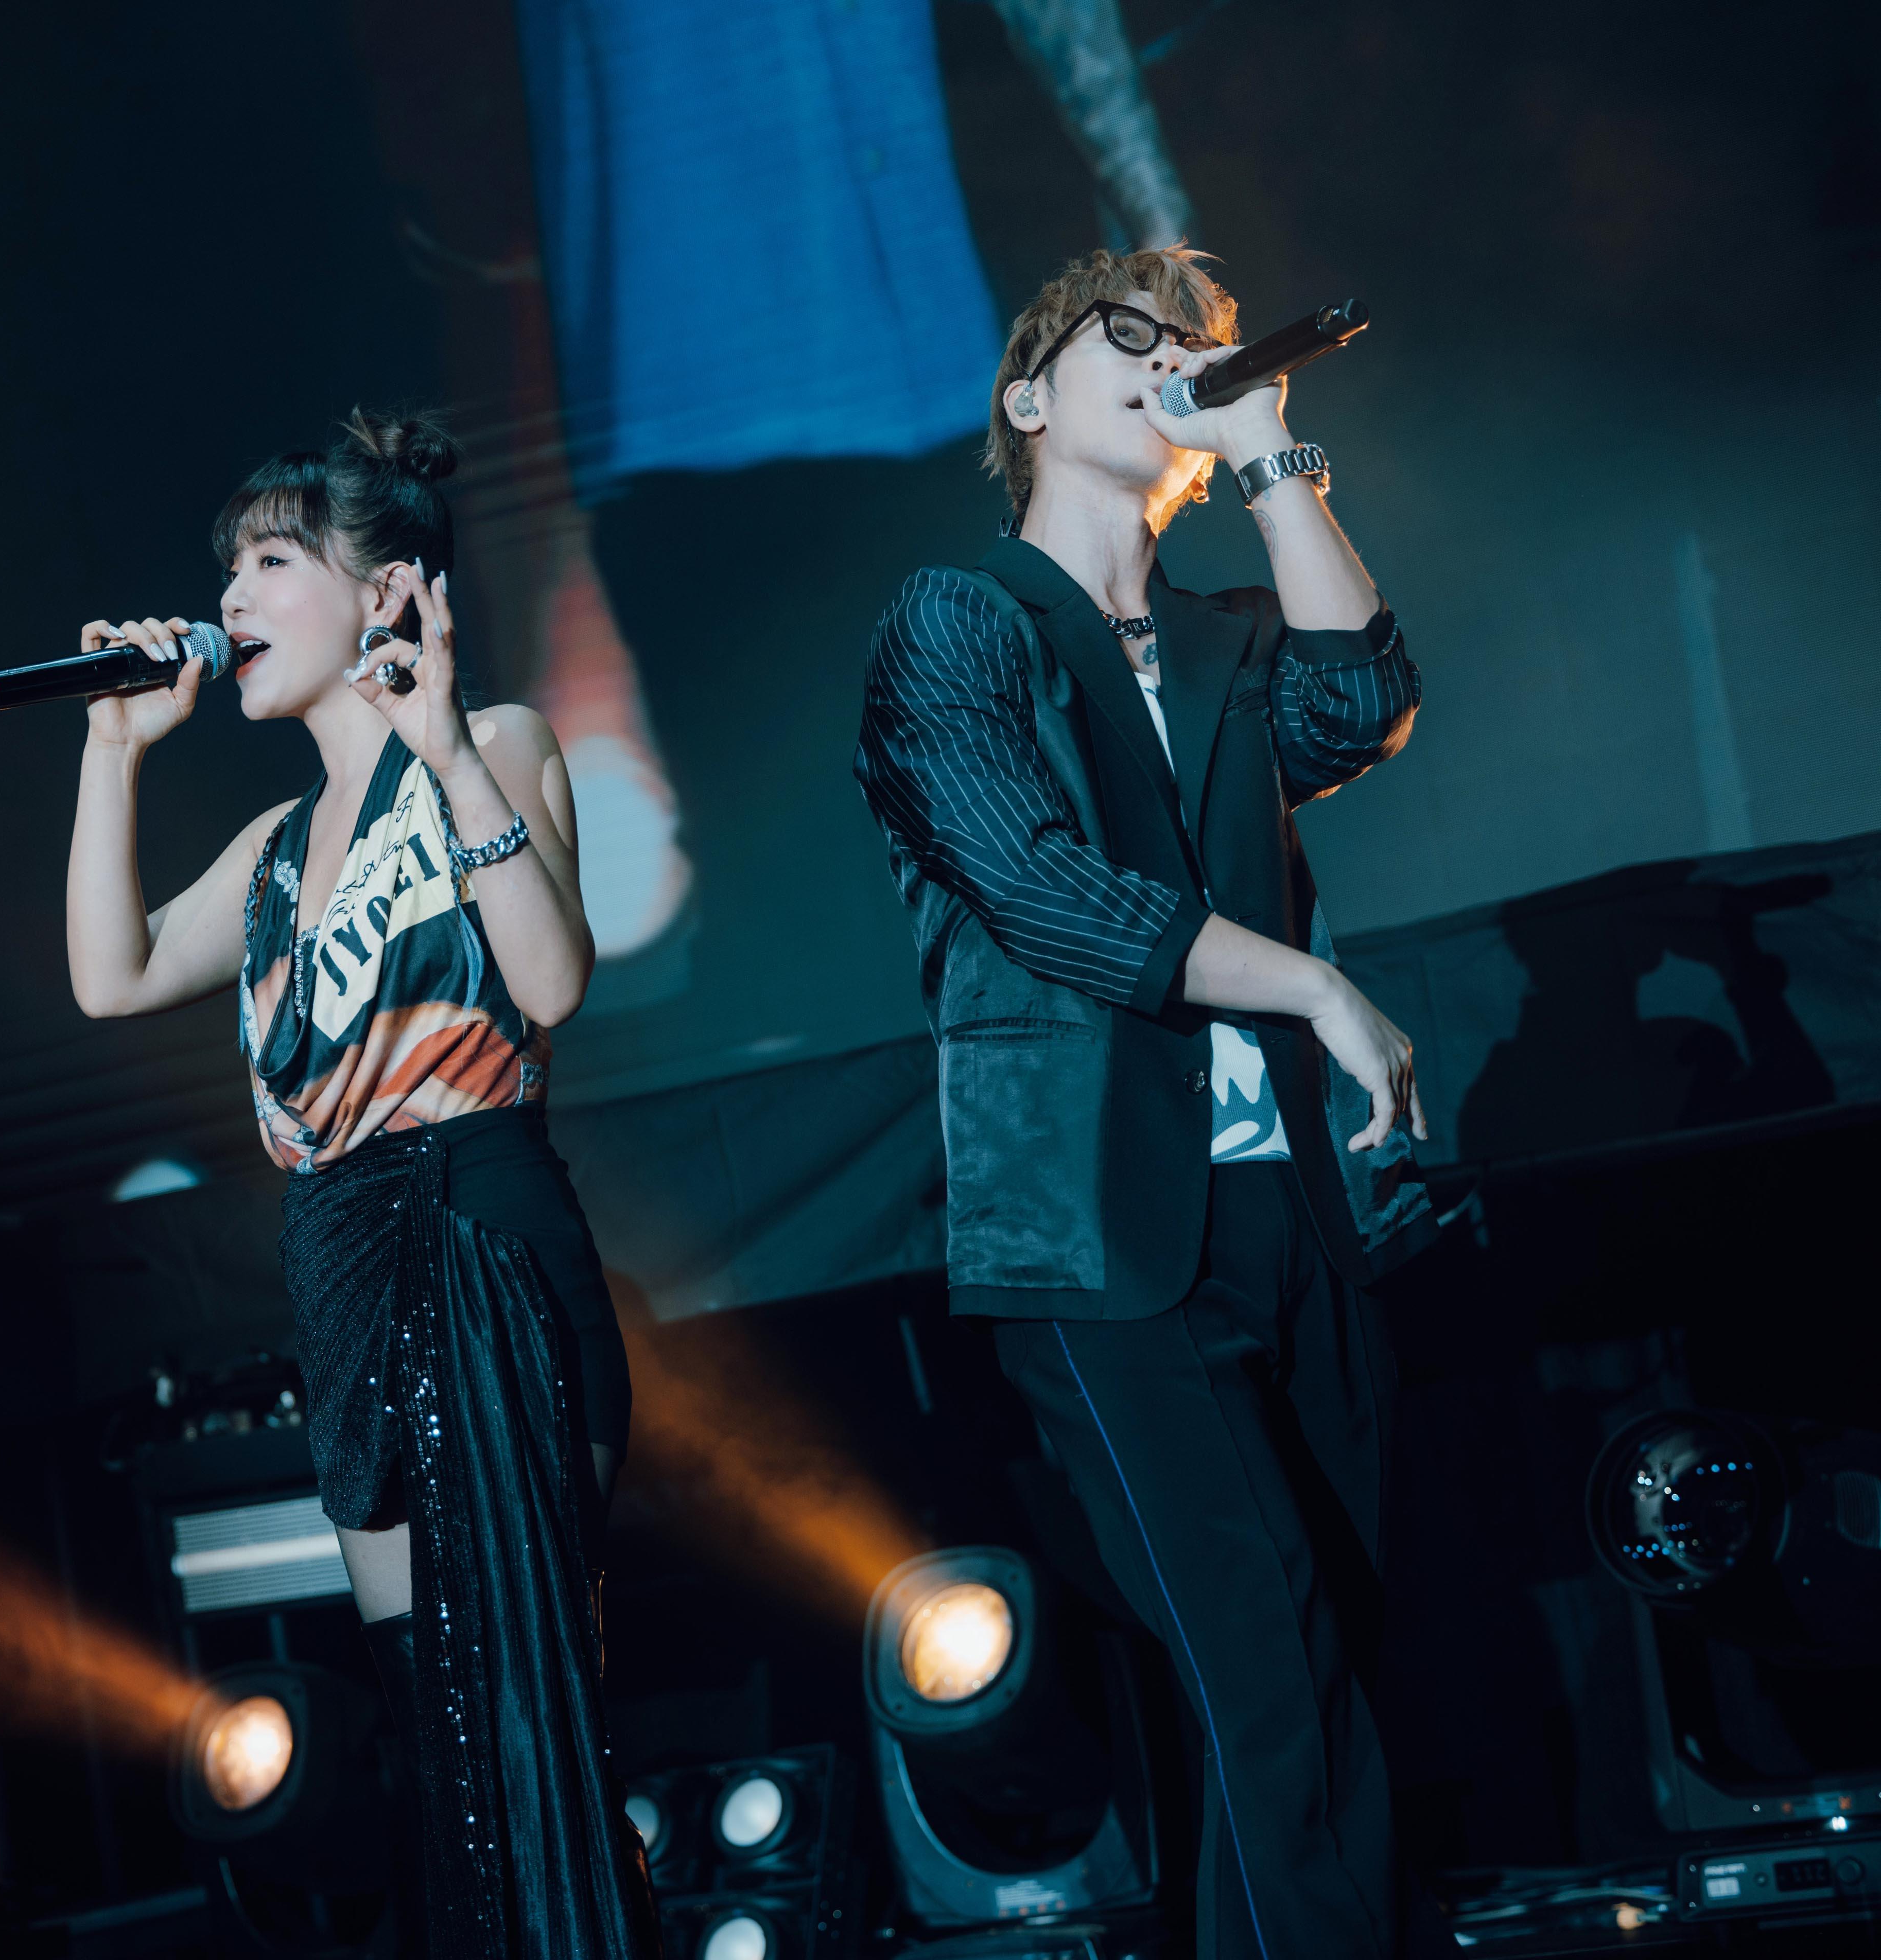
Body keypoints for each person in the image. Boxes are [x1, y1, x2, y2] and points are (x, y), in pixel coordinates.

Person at [853, 247, 1444, 1960]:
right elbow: (1049, 896)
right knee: (1271, 1678)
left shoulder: (1226, 637)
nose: (1173, 354)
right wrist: (1314, 985)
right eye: (1130, 338)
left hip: (1286, 1217)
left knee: (1333, 1672)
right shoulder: (958, 622)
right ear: (1027, 398)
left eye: (1192, 345)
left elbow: (1363, 703)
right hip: (1097, 1228)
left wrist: (1266, 452)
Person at [65, 411, 653, 1957]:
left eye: (270, 563)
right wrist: (113, 752)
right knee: (434, 1732)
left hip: (484, 1234)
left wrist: (446, 749)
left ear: (387, 592)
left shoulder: (497, 745)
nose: (231, 599)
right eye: (228, 569)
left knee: (529, 1707)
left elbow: (553, 981)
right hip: (342, 1272)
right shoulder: (272, 850)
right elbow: (112, 977)